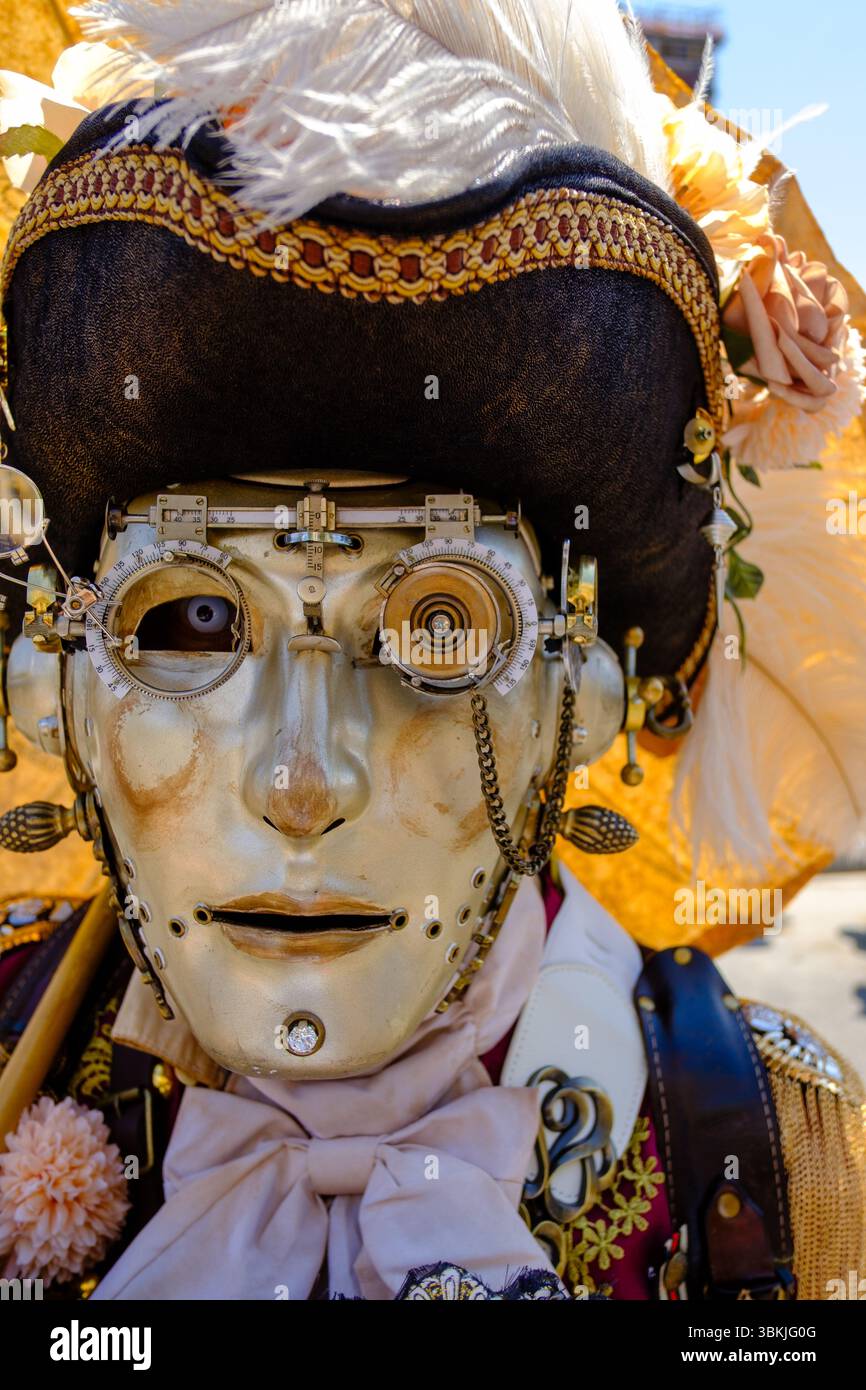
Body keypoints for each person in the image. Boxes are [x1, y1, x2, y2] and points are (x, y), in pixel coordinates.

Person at [0, 0, 863, 1301]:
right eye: (190, 621)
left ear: (573, 704)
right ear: (54, 694)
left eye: (437, 629)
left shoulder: (768, 1160)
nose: (301, 781)